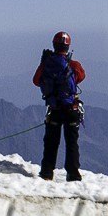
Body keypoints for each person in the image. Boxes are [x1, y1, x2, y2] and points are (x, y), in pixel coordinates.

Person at [33, 31, 85, 181]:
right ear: (68, 47)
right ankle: (73, 174)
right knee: (72, 143)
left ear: (54, 45)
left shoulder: (47, 64)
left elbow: (36, 81)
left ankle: (47, 172)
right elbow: (81, 77)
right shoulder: (73, 65)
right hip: (71, 109)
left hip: (55, 110)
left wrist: (44, 62)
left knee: (51, 143)